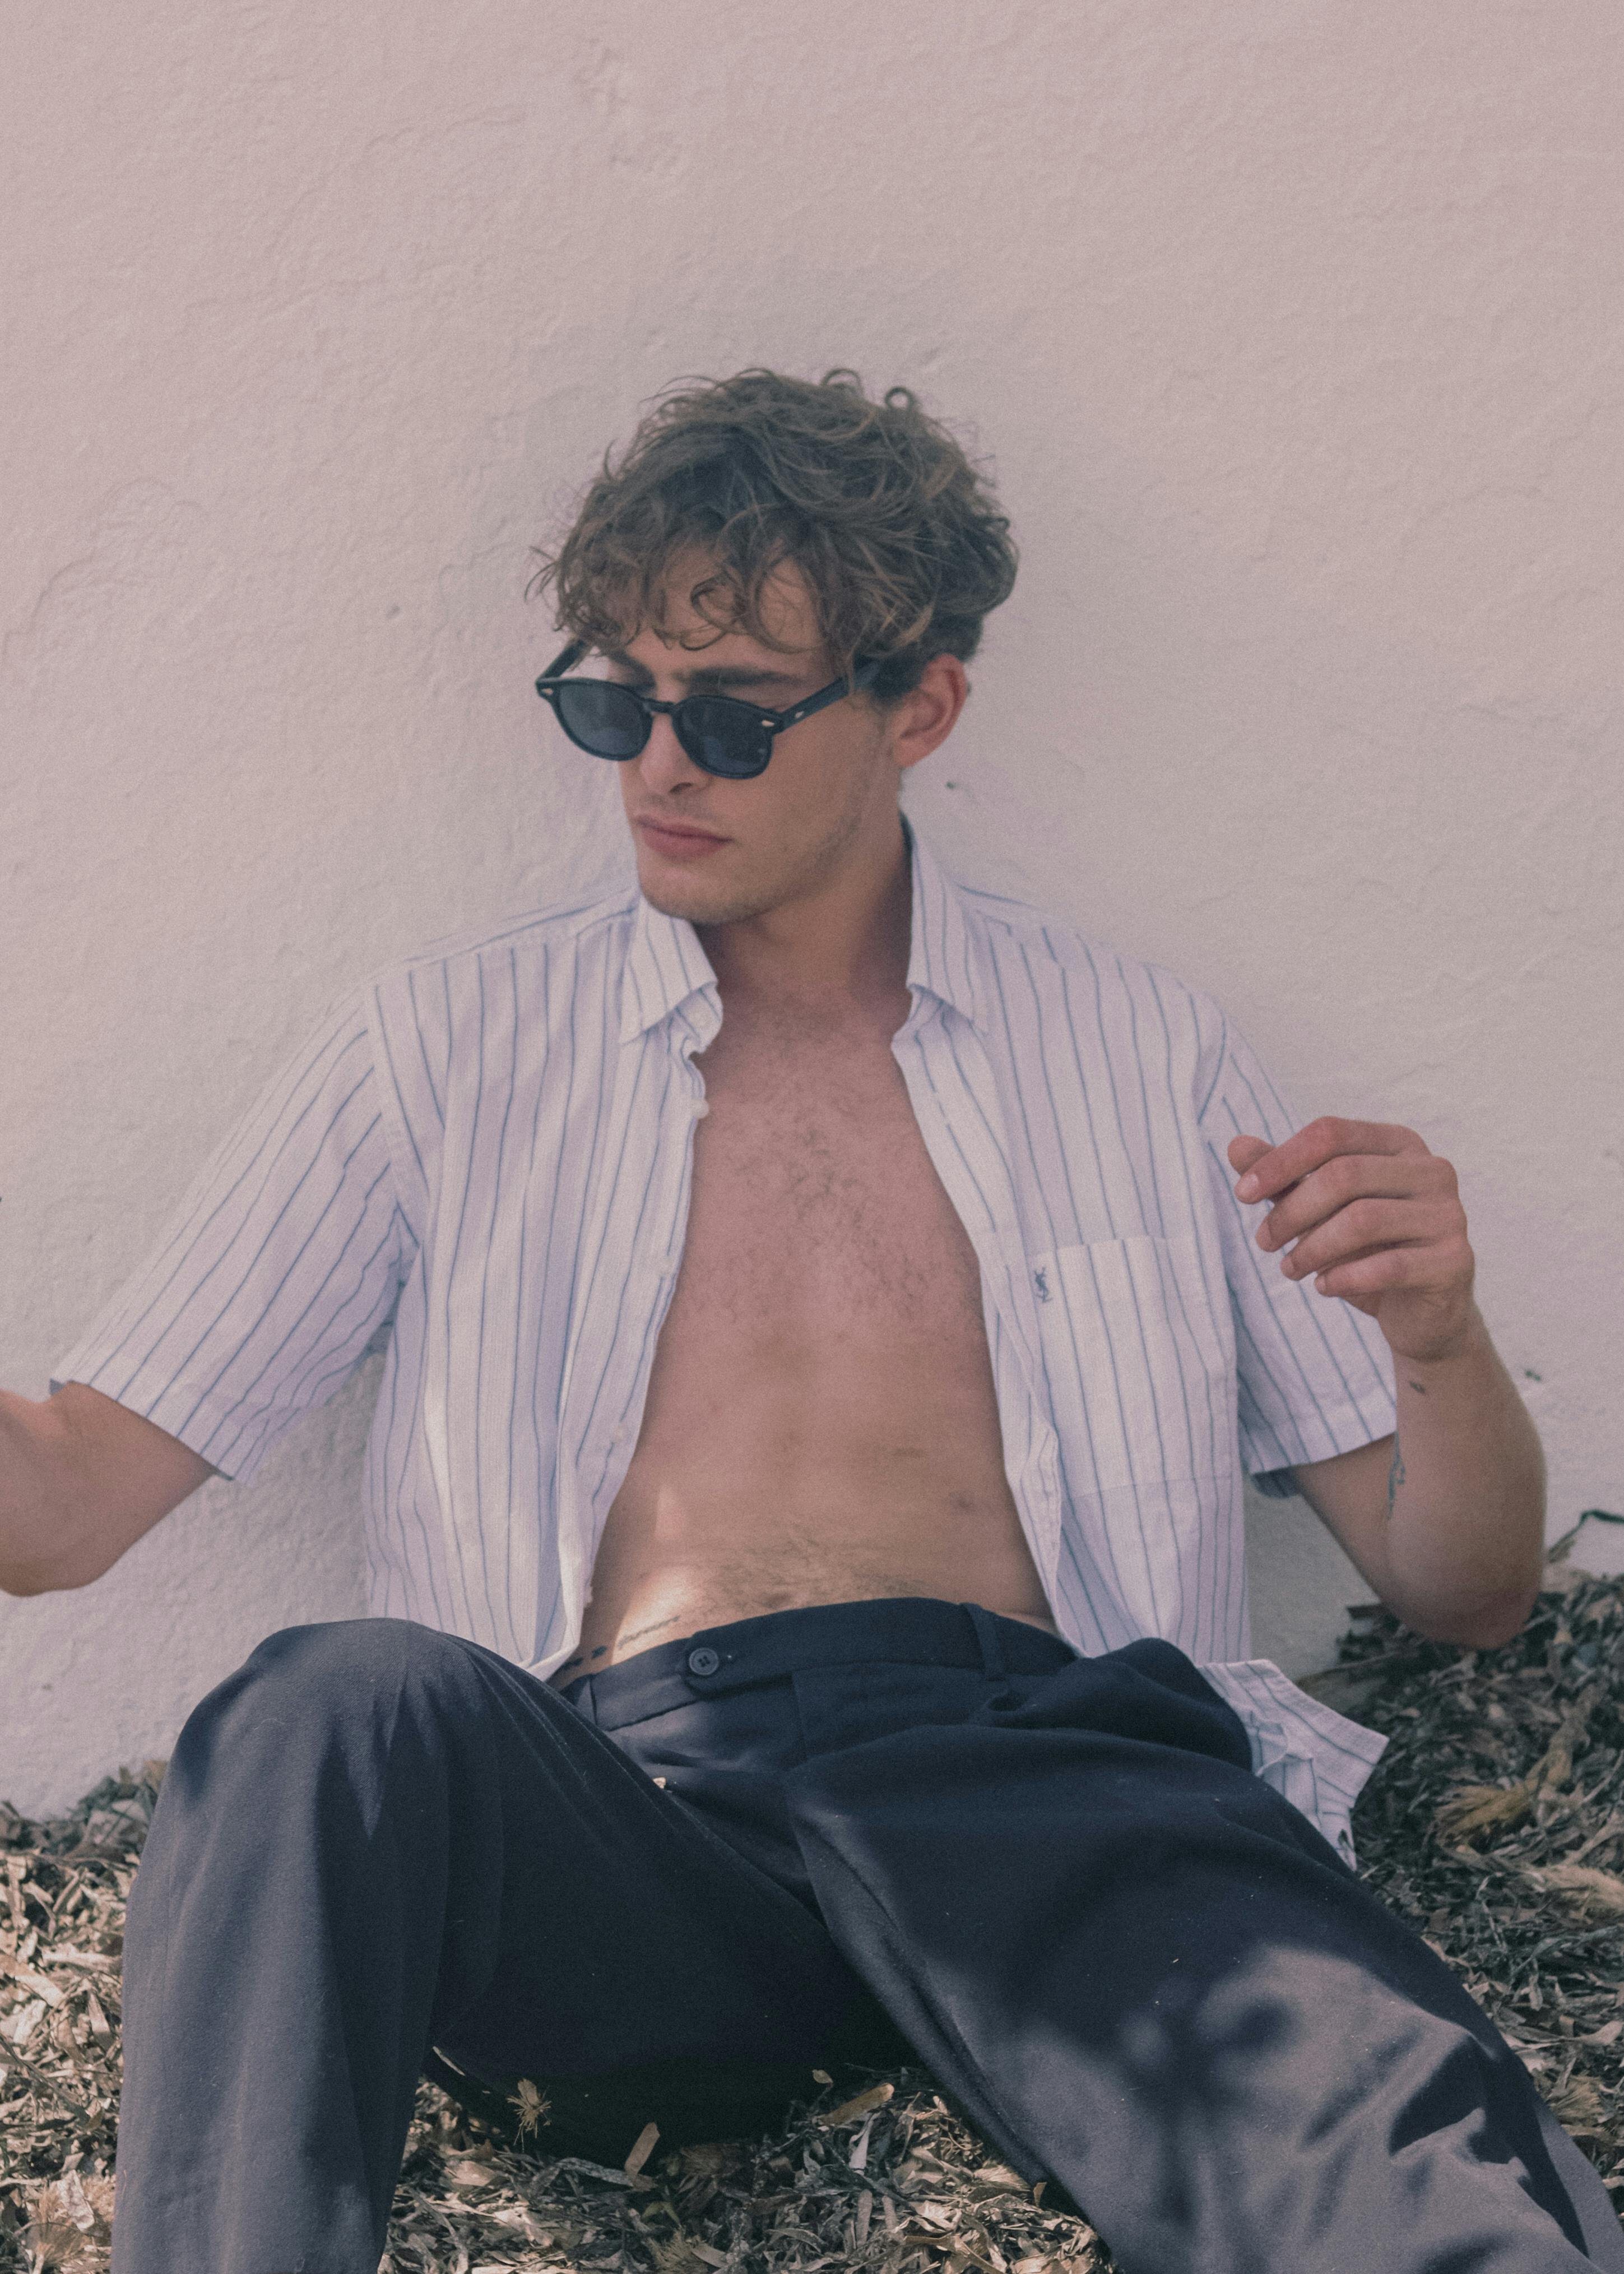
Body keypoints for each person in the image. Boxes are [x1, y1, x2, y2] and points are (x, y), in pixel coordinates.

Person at [1, 369, 1614, 2274]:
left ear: (917, 706)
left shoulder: (1141, 1051)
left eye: (731, 715)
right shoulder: (442, 1049)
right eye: (613, 702)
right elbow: (65, 1501)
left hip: (1062, 1803)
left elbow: (1460, 1589)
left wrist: (1436, 1340)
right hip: (640, 1833)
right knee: (322, 1707)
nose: (658, 769)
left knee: (1432, 2182)